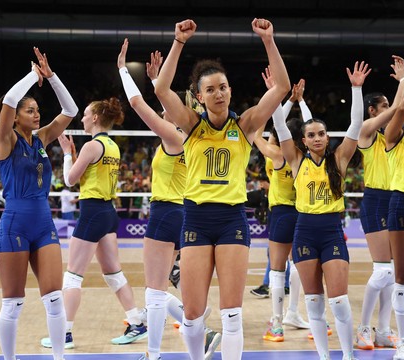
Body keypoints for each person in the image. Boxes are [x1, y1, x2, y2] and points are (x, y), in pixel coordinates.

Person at [154, 18, 291, 359]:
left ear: (230, 90)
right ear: (199, 96)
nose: (219, 93)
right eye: (211, 89)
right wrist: (178, 42)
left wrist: (269, 41)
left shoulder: (245, 125)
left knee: (232, 314)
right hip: (196, 220)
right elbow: (160, 89)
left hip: (231, 220)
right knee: (192, 313)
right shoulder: (190, 124)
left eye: (223, 87)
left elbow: (282, 87)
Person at [117, 39, 221, 360]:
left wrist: (122, 69)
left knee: (154, 291)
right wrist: (154, 80)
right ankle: (202, 333)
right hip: (186, 213)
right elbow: (162, 103)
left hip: (166, 211)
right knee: (167, 282)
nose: (166, 110)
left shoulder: (175, 137)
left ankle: (153, 354)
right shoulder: (193, 138)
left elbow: (137, 105)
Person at [273, 61, 370, 360]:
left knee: (339, 302)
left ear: (328, 137)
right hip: (304, 231)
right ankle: (325, 357)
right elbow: (278, 125)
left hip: (331, 232)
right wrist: (276, 97)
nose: (316, 138)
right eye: (311, 134)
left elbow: (356, 125)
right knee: (314, 303)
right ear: (303, 140)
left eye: (321, 134)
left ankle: (348, 356)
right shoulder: (295, 160)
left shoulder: (339, 159)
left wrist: (356, 89)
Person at [0, 47, 78, 360]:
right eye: (30, 110)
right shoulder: (6, 139)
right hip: (15, 224)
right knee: (13, 303)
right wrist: (32, 75)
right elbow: (8, 102)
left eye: (37, 109)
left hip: (44, 224)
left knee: (55, 299)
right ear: (15, 117)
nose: (36, 113)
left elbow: (70, 110)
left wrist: (51, 76)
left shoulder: (40, 139)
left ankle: (58, 357)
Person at [42, 96, 147, 348]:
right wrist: (77, 156)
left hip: (92, 212)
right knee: (113, 273)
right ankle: (136, 322)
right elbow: (90, 174)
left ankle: (64, 334)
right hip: (108, 212)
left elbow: (69, 180)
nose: (83, 118)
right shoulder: (112, 146)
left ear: (96, 118)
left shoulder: (92, 146)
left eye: (87, 114)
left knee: (73, 277)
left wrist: (68, 154)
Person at [354, 55, 404, 351]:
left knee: (394, 274)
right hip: (376, 200)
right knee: (383, 271)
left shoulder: (393, 139)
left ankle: (384, 330)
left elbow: (402, 110)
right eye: (383, 107)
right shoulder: (366, 133)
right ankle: (363, 328)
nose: (389, 111)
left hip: (397, 200)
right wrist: (402, 83)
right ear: (373, 110)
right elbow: (398, 110)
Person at [253, 73, 311, 342]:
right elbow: (306, 126)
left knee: (277, 269)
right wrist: (299, 101)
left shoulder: (276, 154)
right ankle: (294, 313)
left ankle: (277, 323)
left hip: (282, 213)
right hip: (302, 212)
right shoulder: (308, 157)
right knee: (298, 264)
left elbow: (260, 132)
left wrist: (281, 100)